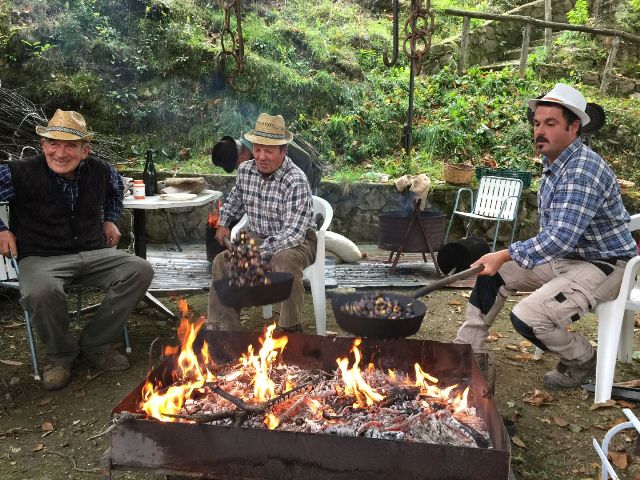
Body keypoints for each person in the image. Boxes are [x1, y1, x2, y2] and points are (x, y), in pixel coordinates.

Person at [454, 84, 637, 389]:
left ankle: (583, 359)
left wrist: (505, 252)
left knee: (528, 317)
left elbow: (560, 237)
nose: (540, 131)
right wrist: (502, 259)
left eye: (551, 124)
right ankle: (467, 351)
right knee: (492, 272)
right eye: (538, 123)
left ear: (574, 126)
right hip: (565, 258)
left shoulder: (582, 169)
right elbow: (556, 242)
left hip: (606, 266)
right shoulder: (554, 162)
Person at [0, 109, 154, 390]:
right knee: (41, 291)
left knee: (140, 269)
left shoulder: (101, 169)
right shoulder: (18, 171)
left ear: (85, 150)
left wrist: (110, 218)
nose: (60, 153)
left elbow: (115, 192)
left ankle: (95, 342)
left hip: (92, 251)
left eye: (70, 146)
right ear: (43, 145)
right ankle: (60, 355)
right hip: (41, 255)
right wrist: (1, 229)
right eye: (53, 144)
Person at [208, 113, 316, 332]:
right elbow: (234, 201)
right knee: (222, 262)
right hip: (258, 236)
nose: (261, 157)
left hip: (298, 241)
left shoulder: (295, 179)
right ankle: (225, 331)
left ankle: (290, 329)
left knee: (283, 260)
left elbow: (293, 234)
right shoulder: (246, 171)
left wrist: (257, 253)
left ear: (283, 151)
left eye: (269, 151)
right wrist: (224, 223)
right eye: (257, 149)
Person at [211, 131, 323, 192]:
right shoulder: (251, 159)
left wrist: (304, 190)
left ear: (241, 157)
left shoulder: (269, 140)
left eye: (236, 166)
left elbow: (305, 159)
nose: (238, 168)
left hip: (309, 172)